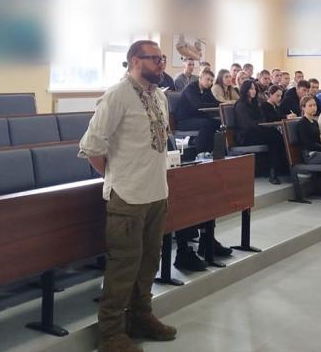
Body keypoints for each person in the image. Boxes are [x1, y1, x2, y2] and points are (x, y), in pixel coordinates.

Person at [79, 40, 177, 352]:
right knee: (123, 267)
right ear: (135, 61)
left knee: (149, 262)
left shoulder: (159, 96)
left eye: (162, 58)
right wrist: (116, 178)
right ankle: (110, 334)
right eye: (154, 58)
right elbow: (92, 147)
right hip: (128, 196)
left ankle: (141, 317)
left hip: (156, 193)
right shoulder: (117, 95)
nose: (161, 64)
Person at [234, 80, 287, 185]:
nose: (253, 91)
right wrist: (259, 124)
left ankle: (277, 168)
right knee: (273, 135)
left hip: (256, 131)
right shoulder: (240, 105)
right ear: (245, 90)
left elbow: (263, 118)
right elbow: (247, 124)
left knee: (276, 135)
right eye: (251, 89)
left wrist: (259, 124)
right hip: (245, 135)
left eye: (255, 89)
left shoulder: (255, 104)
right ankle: (273, 171)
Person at [175, 69, 221, 156]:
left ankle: (210, 151)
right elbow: (198, 105)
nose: (210, 83)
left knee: (218, 123)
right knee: (206, 123)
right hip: (184, 120)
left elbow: (215, 102)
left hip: (197, 118)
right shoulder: (190, 88)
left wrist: (223, 104)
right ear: (200, 78)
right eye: (207, 79)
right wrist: (214, 104)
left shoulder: (207, 89)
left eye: (211, 80)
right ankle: (201, 152)